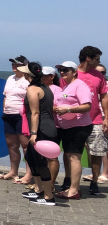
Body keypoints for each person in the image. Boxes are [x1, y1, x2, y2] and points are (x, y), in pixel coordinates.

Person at [53, 61, 93, 200]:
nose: (62, 72)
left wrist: (68, 109)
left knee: (74, 157)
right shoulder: (67, 86)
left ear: (75, 72)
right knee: (69, 156)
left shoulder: (80, 85)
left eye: (66, 70)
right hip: (67, 126)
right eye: (61, 70)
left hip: (79, 126)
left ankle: (74, 190)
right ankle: (71, 187)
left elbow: (87, 106)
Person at [22, 62, 58, 206]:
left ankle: (49, 196)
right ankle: (38, 189)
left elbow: (35, 113)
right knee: (30, 157)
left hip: (42, 129)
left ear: (28, 74)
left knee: (41, 162)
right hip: (44, 127)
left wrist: (34, 133)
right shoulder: (44, 87)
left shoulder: (33, 89)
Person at [73, 46, 108, 196]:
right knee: (73, 152)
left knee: (96, 152)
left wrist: (107, 117)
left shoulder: (99, 76)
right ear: (88, 58)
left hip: (95, 119)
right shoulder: (72, 74)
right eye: (97, 59)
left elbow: (104, 97)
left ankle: (94, 181)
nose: (98, 62)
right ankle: (71, 181)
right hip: (74, 120)